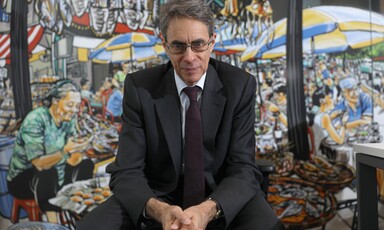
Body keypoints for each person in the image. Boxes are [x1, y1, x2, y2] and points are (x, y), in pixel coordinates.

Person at [76, 0, 281, 229]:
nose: (189, 57)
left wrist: (207, 210)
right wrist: (159, 210)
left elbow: (243, 168)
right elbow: (126, 170)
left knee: (267, 225)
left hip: (220, 198)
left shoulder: (240, 85)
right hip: (159, 198)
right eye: (178, 46)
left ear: (212, 42)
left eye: (198, 44)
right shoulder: (140, 88)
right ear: (165, 45)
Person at [7, 80, 94, 223]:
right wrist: (65, 151)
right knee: (48, 172)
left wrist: (79, 151)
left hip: (57, 172)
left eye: (77, 106)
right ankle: (53, 223)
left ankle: (79, 211)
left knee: (87, 164)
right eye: (70, 104)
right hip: (23, 178)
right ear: (55, 101)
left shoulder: (69, 118)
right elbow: (39, 164)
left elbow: (70, 158)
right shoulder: (36, 119)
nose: (74, 110)